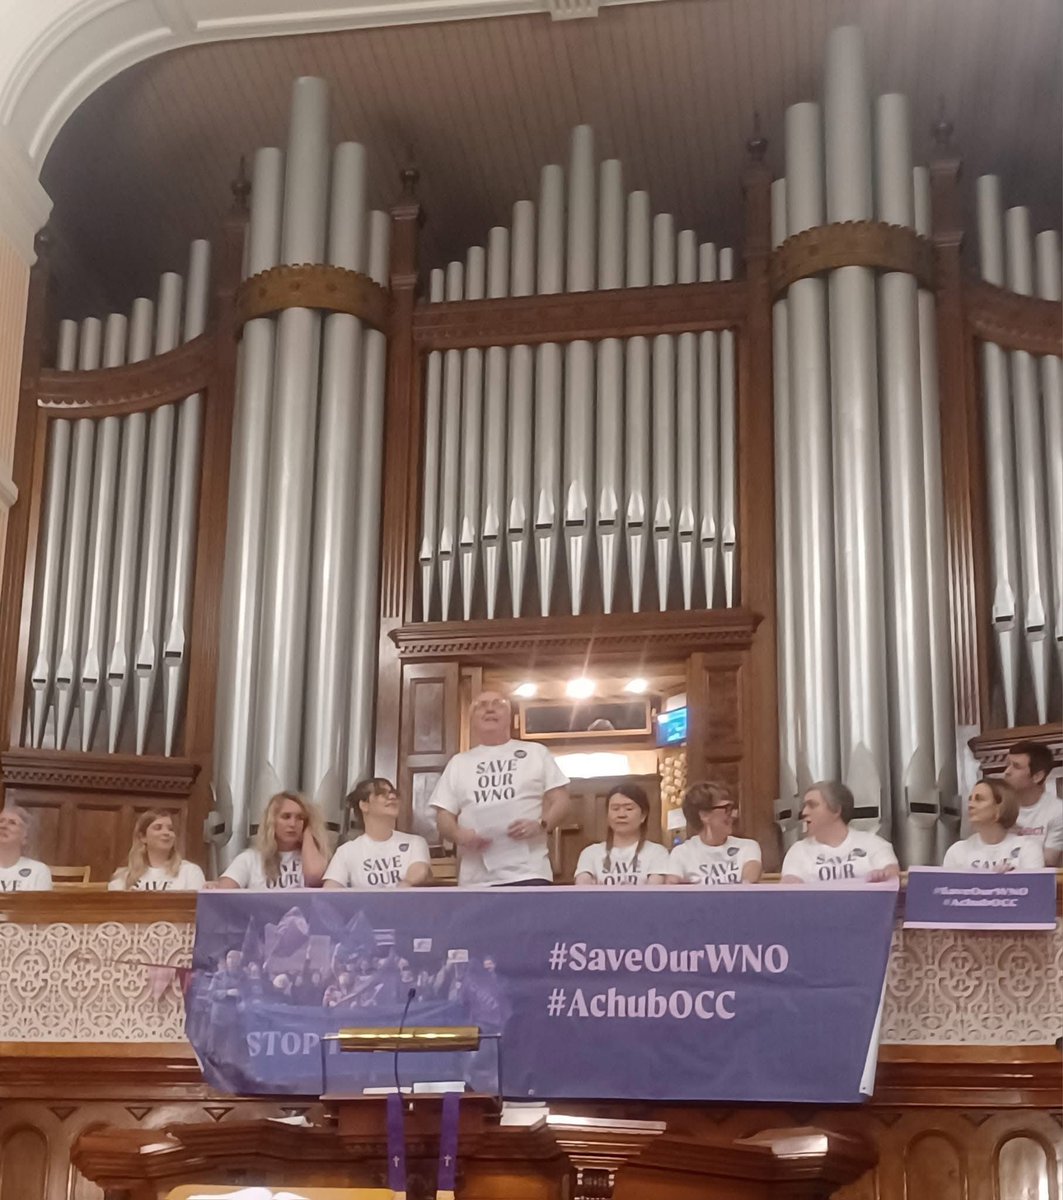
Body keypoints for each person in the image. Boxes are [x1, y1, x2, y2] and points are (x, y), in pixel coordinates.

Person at [430, 690, 570, 886]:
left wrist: (541, 824)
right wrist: (457, 835)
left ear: (511, 716)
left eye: (498, 704)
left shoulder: (535, 752)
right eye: (481, 705)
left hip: (528, 873)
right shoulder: (459, 763)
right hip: (476, 878)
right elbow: (443, 814)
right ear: (472, 719)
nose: (489, 709)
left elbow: (561, 800)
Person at [781, 781, 899, 884]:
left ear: (836, 810)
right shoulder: (798, 850)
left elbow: (891, 870)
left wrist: (883, 875)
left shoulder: (873, 843)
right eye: (804, 806)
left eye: (812, 805)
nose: (804, 812)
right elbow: (790, 884)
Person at [323, 778, 431, 889]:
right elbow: (330, 890)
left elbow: (419, 869)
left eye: (393, 793)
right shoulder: (346, 851)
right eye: (382, 793)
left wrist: (406, 883)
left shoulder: (415, 842)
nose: (392, 797)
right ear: (364, 805)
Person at [213, 792, 328, 889]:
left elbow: (314, 877)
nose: (293, 824)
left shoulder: (316, 858)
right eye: (286, 817)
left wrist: (309, 832)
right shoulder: (250, 859)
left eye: (300, 818)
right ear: (272, 821)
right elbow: (224, 891)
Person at [574, 781, 670, 885]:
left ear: (643, 815)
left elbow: (654, 894)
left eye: (629, 808)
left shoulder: (657, 853)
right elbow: (583, 892)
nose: (621, 814)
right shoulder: (590, 853)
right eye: (615, 809)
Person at [666, 781, 762, 885]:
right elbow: (672, 888)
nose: (734, 814)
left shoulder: (748, 846)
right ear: (704, 815)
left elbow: (750, 881)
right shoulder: (681, 853)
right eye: (727, 809)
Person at [943, 778, 1045, 871]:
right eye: (970, 799)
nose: (970, 805)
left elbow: (1035, 888)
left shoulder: (1028, 848)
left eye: (979, 799)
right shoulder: (956, 851)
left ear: (999, 807)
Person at [108, 810, 206, 891]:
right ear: (143, 837)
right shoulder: (123, 877)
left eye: (170, 829)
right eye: (158, 828)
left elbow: (197, 909)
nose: (166, 833)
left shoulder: (190, 872)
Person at [1003, 740, 1062, 867]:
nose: (1007, 771)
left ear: (1037, 776)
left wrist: (1017, 836)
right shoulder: (998, 807)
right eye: (1007, 765)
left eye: (1016, 766)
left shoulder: (1058, 811)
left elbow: (1048, 861)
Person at [0, 805, 51, 891]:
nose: (3, 826)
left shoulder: (38, 871)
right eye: (1, 821)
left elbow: (41, 904)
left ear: (25, 837)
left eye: (12, 822)